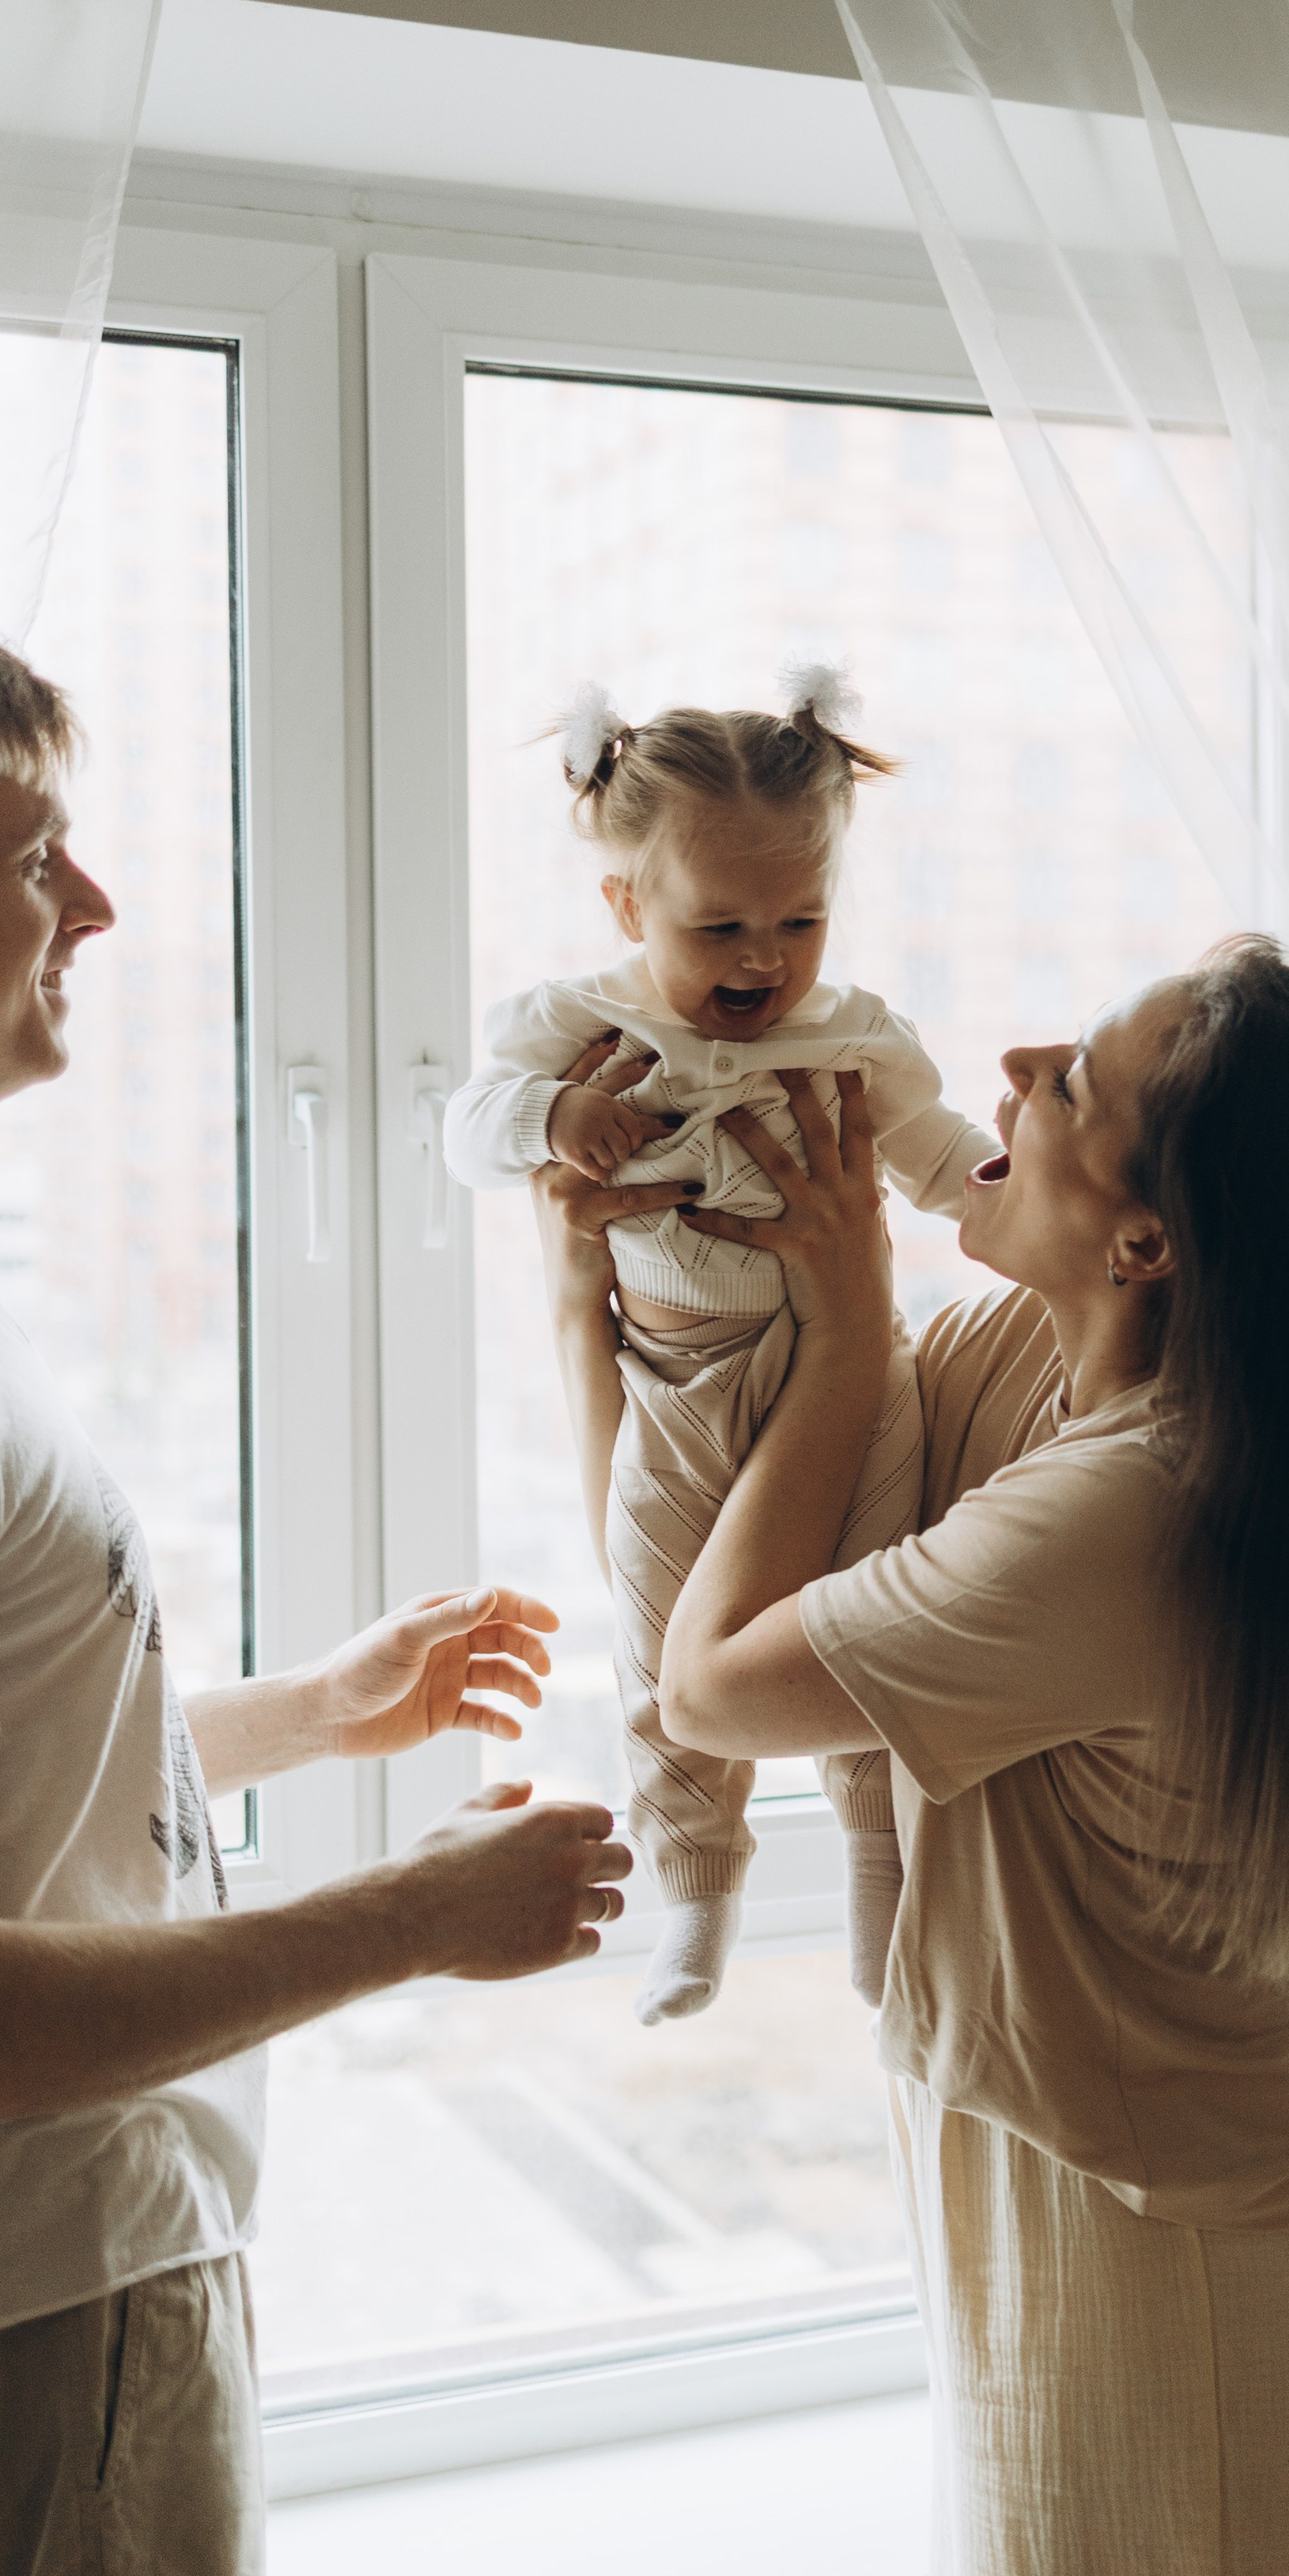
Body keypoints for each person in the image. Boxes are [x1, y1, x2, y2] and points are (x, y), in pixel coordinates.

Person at [0, 620, 642, 2576]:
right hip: (27, 2329)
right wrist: (416, 1916)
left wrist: (303, 1713)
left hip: (22, 2308)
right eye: (41, 853)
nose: (94, 908)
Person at [539, 938, 1289, 2576]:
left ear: (1148, 1247)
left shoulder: (1131, 1506)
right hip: (1103, 2189)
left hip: (1177, 2251)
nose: (1015, 1064)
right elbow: (721, 1504)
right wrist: (606, 1282)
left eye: (1078, 1086)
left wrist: (855, 1329)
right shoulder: (1055, 1387)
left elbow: (710, 1689)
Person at [444, 665, 995, 2026]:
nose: (764, 956)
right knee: (657, 1640)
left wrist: (1001, 1191)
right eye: (723, 925)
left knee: (861, 1617)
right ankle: (694, 1883)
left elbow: (936, 1153)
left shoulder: (854, 1032)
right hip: (676, 1383)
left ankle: (876, 1861)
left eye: (801, 920)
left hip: (858, 1378)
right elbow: (470, 1127)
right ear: (628, 907)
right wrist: (553, 1129)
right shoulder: (582, 1027)